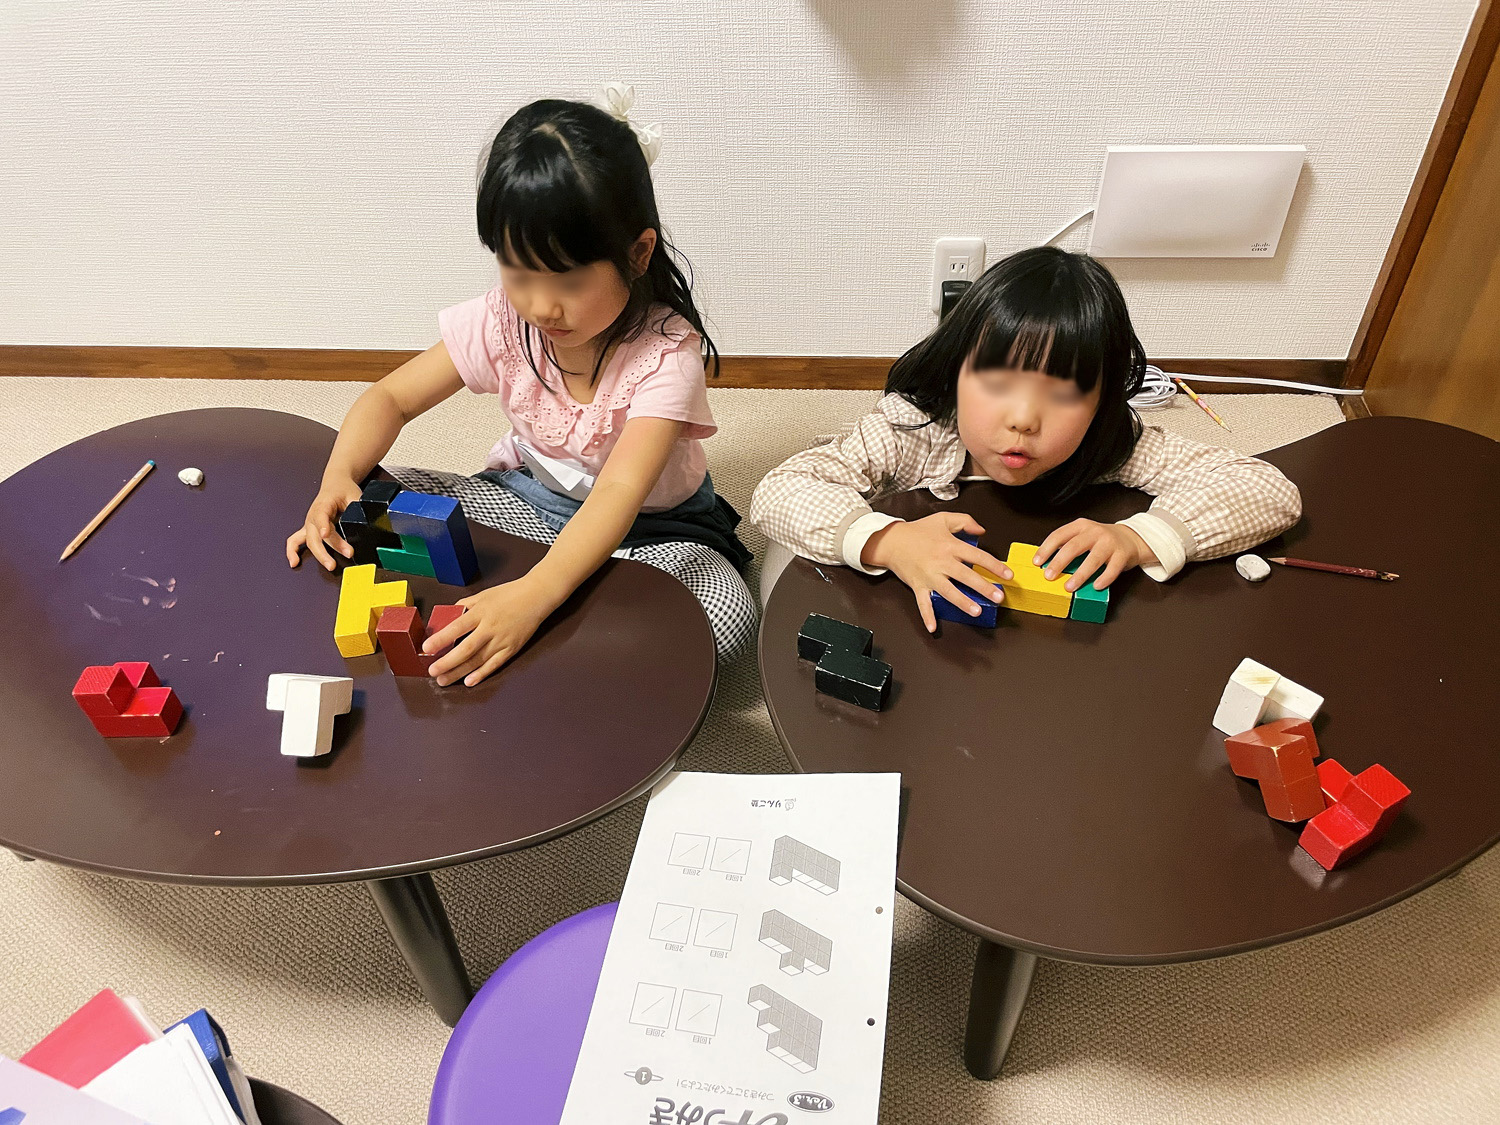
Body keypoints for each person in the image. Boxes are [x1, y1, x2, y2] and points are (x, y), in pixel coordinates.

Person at [288, 87, 755, 683]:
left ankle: (538, 618)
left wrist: (536, 596)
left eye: (567, 282)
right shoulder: (503, 322)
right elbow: (391, 398)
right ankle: (538, 618)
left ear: (638, 254)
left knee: (726, 618)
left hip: (652, 534)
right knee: (380, 496)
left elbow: (618, 493)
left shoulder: (666, 355)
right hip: (527, 504)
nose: (541, 307)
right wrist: (338, 476)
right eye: (518, 274)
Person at [751, 246, 1302, 629]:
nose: (1023, 420)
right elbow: (778, 491)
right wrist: (889, 541)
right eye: (997, 384)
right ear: (954, 373)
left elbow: (1268, 490)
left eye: (1062, 394)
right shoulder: (908, 429)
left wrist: (1138, 538)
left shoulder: (1111, 443)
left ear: (1102, 403)